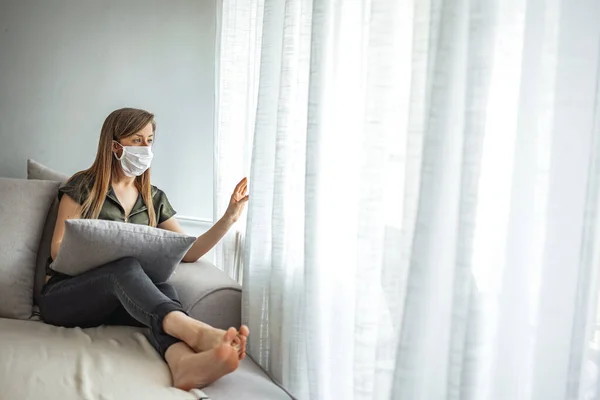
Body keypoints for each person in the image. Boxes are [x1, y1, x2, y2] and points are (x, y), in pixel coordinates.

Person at [38, 107, 250, 390]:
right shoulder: (82, 186)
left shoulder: (154, 198)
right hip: (63, 298)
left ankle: (183, 364)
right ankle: (197, 332)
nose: (145, 148)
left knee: (163, 289)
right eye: (137, 140)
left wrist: (230, 217)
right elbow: (57, 249)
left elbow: (189, 251)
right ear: (115, 146)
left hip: (114, 304)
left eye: (149, 140)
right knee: (124, 268)